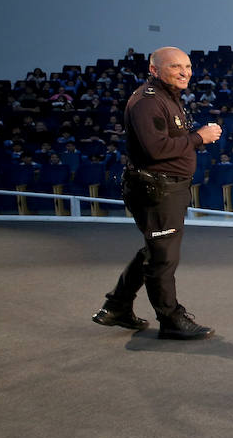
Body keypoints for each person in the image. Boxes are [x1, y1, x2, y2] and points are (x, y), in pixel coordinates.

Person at [92, 47, 221, 339]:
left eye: (187, 66)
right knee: (163, 257)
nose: (184, 72)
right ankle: (171, 319)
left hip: (166, 187)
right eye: (175, 66)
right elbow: (156, 149)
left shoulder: (167, 97)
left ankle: (116, 307)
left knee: (156, 249)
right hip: (157, 188)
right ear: (154, 70)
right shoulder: (147, 102)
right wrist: (199, 137)